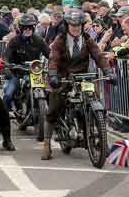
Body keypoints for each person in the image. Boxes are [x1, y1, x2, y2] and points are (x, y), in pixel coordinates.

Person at [43, 8, 115, 160]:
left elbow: (98, 56)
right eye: (72, 25)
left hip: (83, 78)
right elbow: (53, 59)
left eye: (78, 25)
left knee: (97, 102)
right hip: (64, 79)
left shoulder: (88, 39)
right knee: (54, 107)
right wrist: (53, 75)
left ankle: (102, 139)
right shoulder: (59, 41)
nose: (75, 28)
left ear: (82, 25)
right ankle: (46, 143)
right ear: (67, 25)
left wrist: (108, 72)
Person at [3, 14, 50, 122]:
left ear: (34, 27)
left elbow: (50, 54)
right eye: (25, 27)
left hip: (35, 73)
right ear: (21, 28)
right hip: (17, 73)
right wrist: (6, 66)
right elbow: (6, 56)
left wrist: (54, 65)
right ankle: (2, 120)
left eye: (30, 27)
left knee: (50, 93)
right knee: (8, 94)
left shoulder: (39, 40)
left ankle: (51, 117)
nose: (27, 29)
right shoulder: (14, 41)